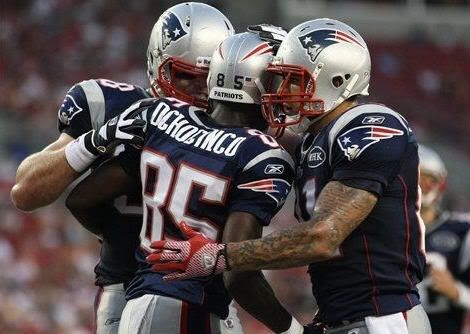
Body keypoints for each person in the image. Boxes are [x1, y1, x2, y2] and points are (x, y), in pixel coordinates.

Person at [147, 18, 432, 334]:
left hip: (383, 319)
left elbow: (323, 236)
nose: (281, 92)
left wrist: (220, 256)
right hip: (345, 317)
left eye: (293, 80)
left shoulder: (371, 125)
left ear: (338, 80)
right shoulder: (313, 141)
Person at [10, 3, 236, 333]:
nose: (201, 90)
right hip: (128, 290)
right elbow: (25, 192)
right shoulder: (115, 106)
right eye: (187, 76)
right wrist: (97, 139)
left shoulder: (236, 123)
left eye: (212, 79)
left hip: (213, 295)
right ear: (158, 64)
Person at [68, 31, 309, 333]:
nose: (283, 92)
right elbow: (238, 273)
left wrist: (124, 239)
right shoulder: (262, 154)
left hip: (139, 302)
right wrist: (294, 330)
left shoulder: (164, 115)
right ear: (254, 84)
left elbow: (79, 199)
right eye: (276, 82)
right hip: (186, 306)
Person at [415, 144, 470, 334]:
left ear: (440, 184)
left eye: (426, 179)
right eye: (413, 177)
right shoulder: (375, 227)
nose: (420, 186)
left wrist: (456, 292)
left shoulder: (464, 232)